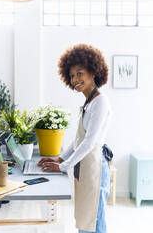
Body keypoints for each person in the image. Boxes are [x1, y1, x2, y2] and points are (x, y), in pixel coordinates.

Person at [38, 43, 112, 233]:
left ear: (93, 72)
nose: (75, 79)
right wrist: (60, 158)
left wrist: (63, 166)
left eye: (79, 73)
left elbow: (90, 142)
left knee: (94, 219)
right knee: (84, 218)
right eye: (71, 76)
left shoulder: (100, 102)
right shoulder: (88, 103)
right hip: (85, 166)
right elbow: (79, 140)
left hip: (95, 166)